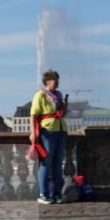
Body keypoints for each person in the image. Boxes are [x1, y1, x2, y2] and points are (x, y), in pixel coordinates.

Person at [29, 70, 69, 204]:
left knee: (58, 164)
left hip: (61, 130)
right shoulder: (40, 95)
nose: (57, 82)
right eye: (54, 80)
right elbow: (33, 115)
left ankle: (57, 193)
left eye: (58, 80)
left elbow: (62, 114)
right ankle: (43, 194)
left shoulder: (58, 94)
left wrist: (65, 106)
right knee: (46, 163)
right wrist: (33, 133)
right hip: (47, 131)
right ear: (47, 82)